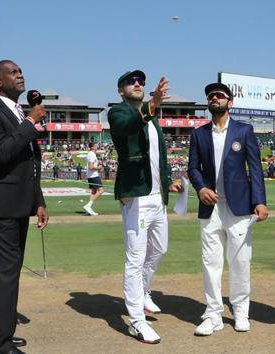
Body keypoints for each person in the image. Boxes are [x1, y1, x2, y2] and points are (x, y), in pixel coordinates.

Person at [0, 59, 49, 354]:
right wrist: (30, 123)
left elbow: (29, 164)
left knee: (10, 270)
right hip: (1, 204)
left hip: (19, 203)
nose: (20, 74)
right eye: (13, 72)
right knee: (7, 272)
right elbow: (2, 153)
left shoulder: (18, 112)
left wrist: (38, 202)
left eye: (21, 70)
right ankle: (1, 343)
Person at [107, 69, 183, 344]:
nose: (137, 84)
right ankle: (136, 322)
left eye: (141, 81)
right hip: (136, 197)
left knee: (160, 248)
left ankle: (143, 291)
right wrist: (152, 106)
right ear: (120, 89)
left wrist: (168, 182)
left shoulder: (153, 121)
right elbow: (128, 127)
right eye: (131, 81)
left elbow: (158, 158)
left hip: (156, 196)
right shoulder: (118, 112)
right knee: (135, 259)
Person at [188, 83, 268, 336]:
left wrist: (260, 201)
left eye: (220, 95)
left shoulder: (244, 131)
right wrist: (200, 188)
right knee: (211, 263)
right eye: (211, 96)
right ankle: (213, 314)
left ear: (229, 102)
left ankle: (241, 311)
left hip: (240, 208)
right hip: (209, 207)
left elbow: (255, 168)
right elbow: (193, 169)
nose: (214, 98)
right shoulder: (199, 134)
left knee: (240, 261)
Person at [83, 142, 104, 216]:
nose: (97, 146)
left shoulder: (91, 154)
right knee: (101, 190)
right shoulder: (91, 154)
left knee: (93, 192)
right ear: (92, 147)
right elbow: (91, 167)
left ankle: (88, 209)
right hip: (93, 176)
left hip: (90, 175)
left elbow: (92, 166)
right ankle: (88, 206)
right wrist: (99, 167)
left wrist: (98, 168)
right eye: (96, 145)